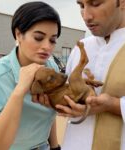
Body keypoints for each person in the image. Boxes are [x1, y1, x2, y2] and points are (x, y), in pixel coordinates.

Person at [0, 1, 62, 150]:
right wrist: (19, 91)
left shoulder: (50, 67)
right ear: (18, 34)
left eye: (52, 40)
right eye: (39, 38)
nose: (47, 47)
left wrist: (55, 147)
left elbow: (48, 113)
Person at [54, 0, 125, 150]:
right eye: (81, 5)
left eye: (96, 3)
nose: (86, 16)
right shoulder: (81, 47)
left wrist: (112, 105)